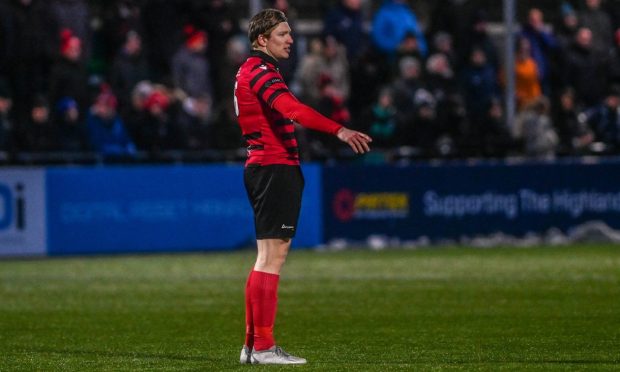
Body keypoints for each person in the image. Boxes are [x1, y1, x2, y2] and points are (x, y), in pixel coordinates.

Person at [234, 8, 371, 365]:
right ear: (262, 40)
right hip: (273, 167)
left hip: (265, 166)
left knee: (266, 256)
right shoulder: (261, 71)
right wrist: (339, 129)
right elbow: (292, 109)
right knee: (273, 256)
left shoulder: (250, 70)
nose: (291, 40)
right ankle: (262, 347)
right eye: (283, 34)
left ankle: (252, 346)